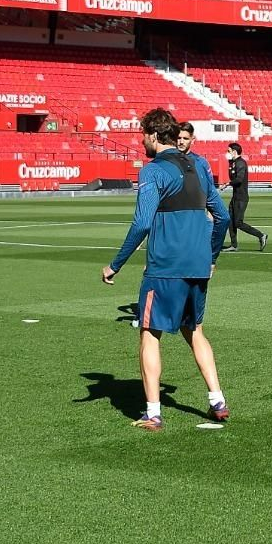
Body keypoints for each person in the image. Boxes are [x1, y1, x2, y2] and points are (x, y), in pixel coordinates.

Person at [102, 108, 231, 431]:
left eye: (142, 135)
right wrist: (211, 256)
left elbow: (142, 222)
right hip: (198, 265)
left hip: (165, 267)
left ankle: (153, 412)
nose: (141, 141)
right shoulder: (199, 167)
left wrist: (115, 264)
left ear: (153, 135)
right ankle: (217, 400)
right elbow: (223, 218)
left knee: (150, 334)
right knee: (195, 331)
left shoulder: (153, 171)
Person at [221, 142, 267, 252]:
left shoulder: (241, 163)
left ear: (234, 151)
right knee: (230, 221)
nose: (227, 153)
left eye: (229, 151)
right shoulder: (233, 163)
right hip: (235, 197)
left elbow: (239, 179)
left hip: (241, 198)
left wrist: (228, 183)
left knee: (238, 222)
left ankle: (261, 235)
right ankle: (234, 245)